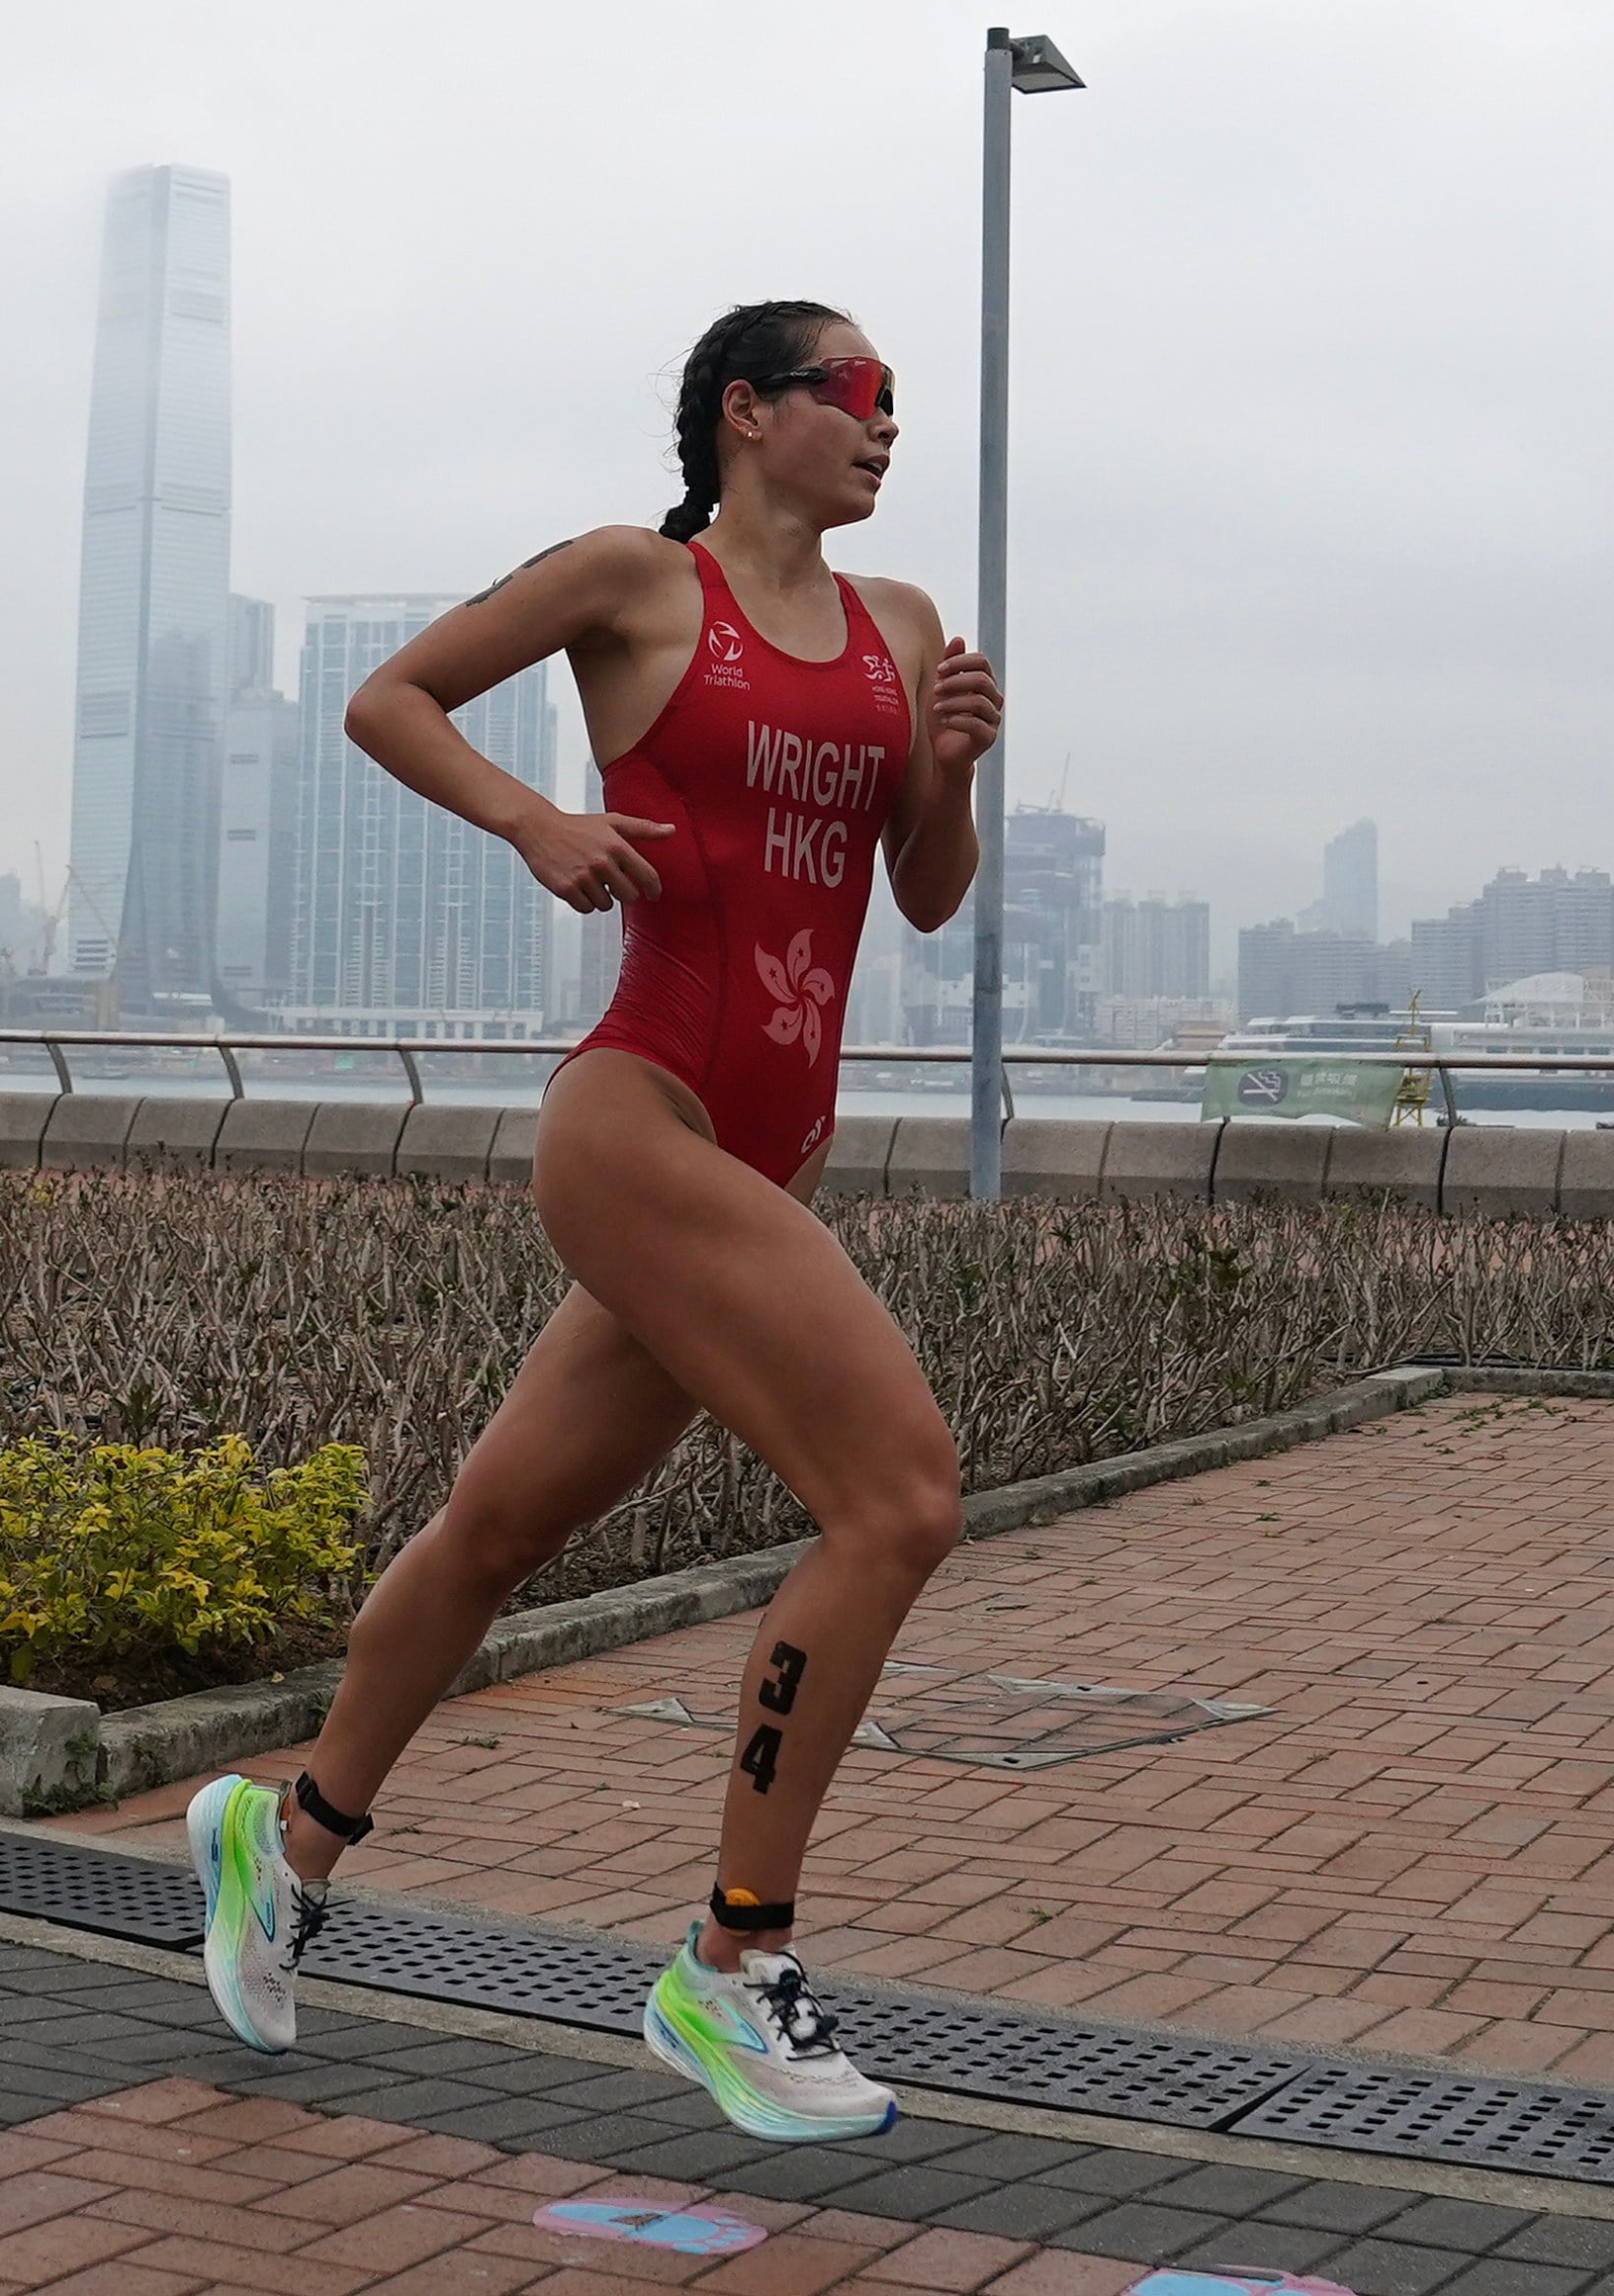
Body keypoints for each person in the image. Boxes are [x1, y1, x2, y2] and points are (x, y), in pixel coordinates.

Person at [187, 302, 1005, 2143]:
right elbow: (386, 694)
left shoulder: (898, 629)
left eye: (896, 404)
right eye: (854, 394)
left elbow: (926, 898)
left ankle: (283, 1837)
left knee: (493, 1527)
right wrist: (530, 822)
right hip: (636, 1118)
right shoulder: (636, 581)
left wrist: (945, 765)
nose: (885, 427)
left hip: (763, 1150)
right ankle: (728, 1959)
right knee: (899, 1495)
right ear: (747, 410)